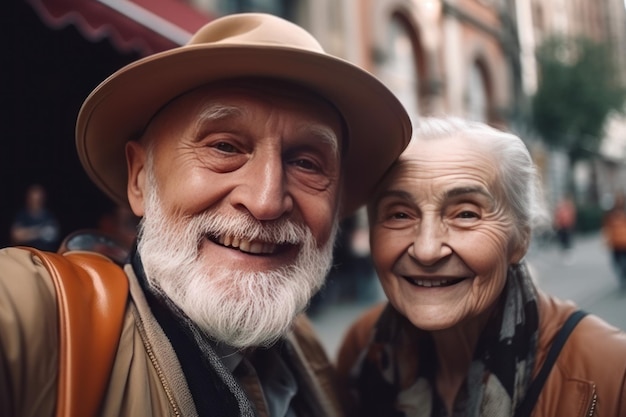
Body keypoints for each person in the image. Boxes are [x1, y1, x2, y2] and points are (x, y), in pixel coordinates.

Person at [0, 13, 411, 417]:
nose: (266, 201)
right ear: (141, 178)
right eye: (225, 148)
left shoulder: (304, 346)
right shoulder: (36, 314)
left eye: (306, 162)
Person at [336, 117, 626, 417]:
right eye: (399, 215)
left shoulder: (611, 374)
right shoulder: (362, 345)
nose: (426, 250)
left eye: (465, 214)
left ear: (521, 239)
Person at [10, 183, 60, 251]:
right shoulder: (23, 215)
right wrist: (39, 232)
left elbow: (54, 234)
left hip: (46, 254)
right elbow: (16, 236)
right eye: (34, 199)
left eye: (39, 199)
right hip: (27, 253)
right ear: (28, 199)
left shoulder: (48, 216)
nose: (36, 202)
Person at [602, 191, 626, 289]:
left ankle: (623, 278)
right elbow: (607, 229)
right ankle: (623, 278)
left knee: (621, 262)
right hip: (615, 243)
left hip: (622, 242)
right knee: (616, 262)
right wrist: (607, 240)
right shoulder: (610, 215)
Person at [553, 194, 576, 260]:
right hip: (561, 226)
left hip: (567, 226)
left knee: (567, 239)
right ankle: (564, 252)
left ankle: (567, 252)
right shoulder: (560, 209)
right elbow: (557, 217)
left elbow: (571, 216)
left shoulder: (568, 208)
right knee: (562, 239)